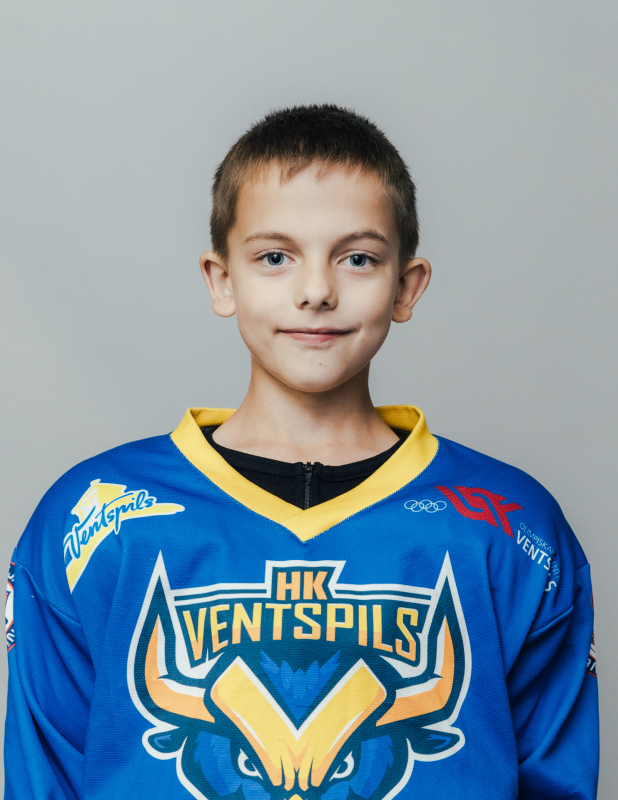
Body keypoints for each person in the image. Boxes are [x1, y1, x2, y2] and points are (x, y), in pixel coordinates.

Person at [4, 105, 598, 800]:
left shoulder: (511, 524)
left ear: (406, 286)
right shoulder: (92, 517)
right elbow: (43, 780)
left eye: (358, 258)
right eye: (275, 258)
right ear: (221, 279)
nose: (316, 291)